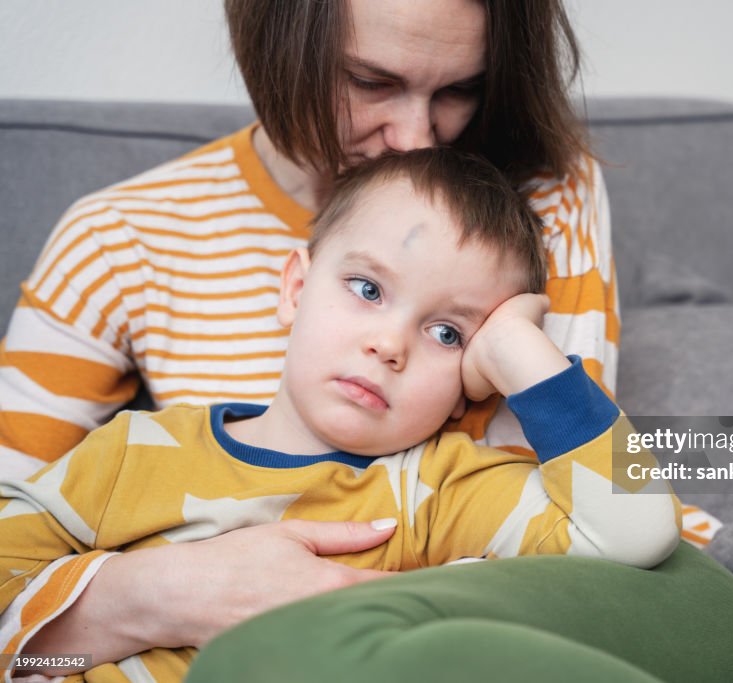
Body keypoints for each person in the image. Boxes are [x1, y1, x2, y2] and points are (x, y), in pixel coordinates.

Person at [0, 148, 681, 680]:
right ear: (295, 288)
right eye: (367, 288)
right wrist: (51, 660)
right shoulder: (133, 453)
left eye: (448, 333)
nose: (389, 344)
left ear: (474, 379)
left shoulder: (438, 490)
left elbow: (636, 530)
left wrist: (522, 355)